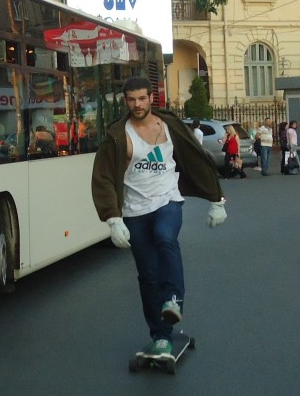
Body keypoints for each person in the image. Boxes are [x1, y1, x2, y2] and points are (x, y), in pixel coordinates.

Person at [90, 76, 226, 361]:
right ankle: (161, 337)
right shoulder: (118, 135)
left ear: (151, 98)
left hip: (168, 200)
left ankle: (174, 298)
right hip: (135, 210)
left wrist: (216, 199)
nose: (137, 104)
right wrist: (113, 218)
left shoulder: (170, 126)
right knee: (148, 277)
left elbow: (196, 158)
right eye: (131, 100)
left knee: (166, 237)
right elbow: (102, 178)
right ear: (125, 101)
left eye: (142, 98)